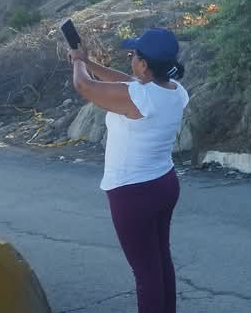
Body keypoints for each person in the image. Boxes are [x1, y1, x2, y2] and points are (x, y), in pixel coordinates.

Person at [67, 27, 189, 313]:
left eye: (133, 55)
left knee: (146, 273)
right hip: (163, 184)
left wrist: (78, 62)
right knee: (159, 262)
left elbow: (84, 86)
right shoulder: (174, 90)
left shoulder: (139, 97)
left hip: (133, 193)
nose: (130, 58)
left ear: (144, 65)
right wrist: (88, 61)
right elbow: (128, 82)